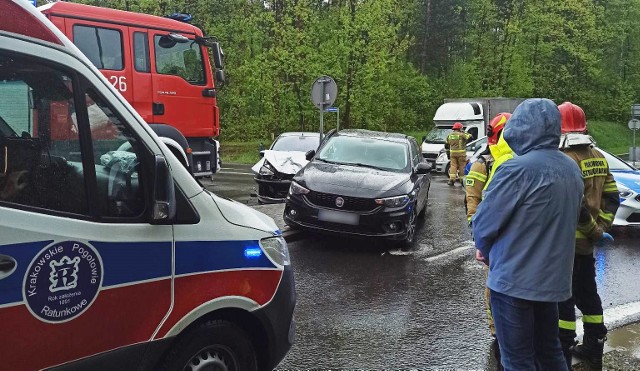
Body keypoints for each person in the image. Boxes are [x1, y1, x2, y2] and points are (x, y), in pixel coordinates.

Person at [471, 98, 584, 370]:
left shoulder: (516, 169)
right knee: (550, 352)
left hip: (513, 282)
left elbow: (484, 223)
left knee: (517, 359)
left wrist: (484, 250)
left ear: (522, 128)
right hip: (551, 284)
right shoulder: (571, 169)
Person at [556, 102, 620, 370]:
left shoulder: (565, 159)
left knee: (564, 298)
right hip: (587, 244)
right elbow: (612, 196)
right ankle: (594, 346)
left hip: (566, 244)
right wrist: (602, 228)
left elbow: (575, 204)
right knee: (589, 294)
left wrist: (593, 229)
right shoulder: (598, 156)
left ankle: (564, 347)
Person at [465, 112, 513, 369]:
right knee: (493, 289)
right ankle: (497, 332)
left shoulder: (516, 161)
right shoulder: (482, 163)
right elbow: (473, 201)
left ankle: (504, 333)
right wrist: (479, 237)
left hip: (509, 238)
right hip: (493, 238)